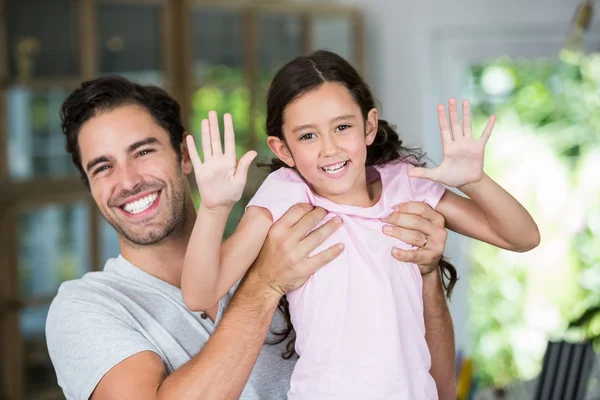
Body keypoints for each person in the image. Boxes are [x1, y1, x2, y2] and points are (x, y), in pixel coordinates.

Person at [45, 75, 456, 400]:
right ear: (90, 187)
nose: (129, 181)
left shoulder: (292, 239)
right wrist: (265, 284)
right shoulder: (87, 308)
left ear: (185, 157)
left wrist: (424, 273)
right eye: (103, 167)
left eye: (144, 151)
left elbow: (434, 388)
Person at [181, 50, 541, 399]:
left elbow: (523, 237)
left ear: (368, 126)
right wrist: (214, 208)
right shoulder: (286, 196)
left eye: (342, 127)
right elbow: (200, 294)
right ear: (283, 149)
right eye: (308, 136)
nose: (329, 148)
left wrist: (472, 181)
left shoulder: (406, 185)